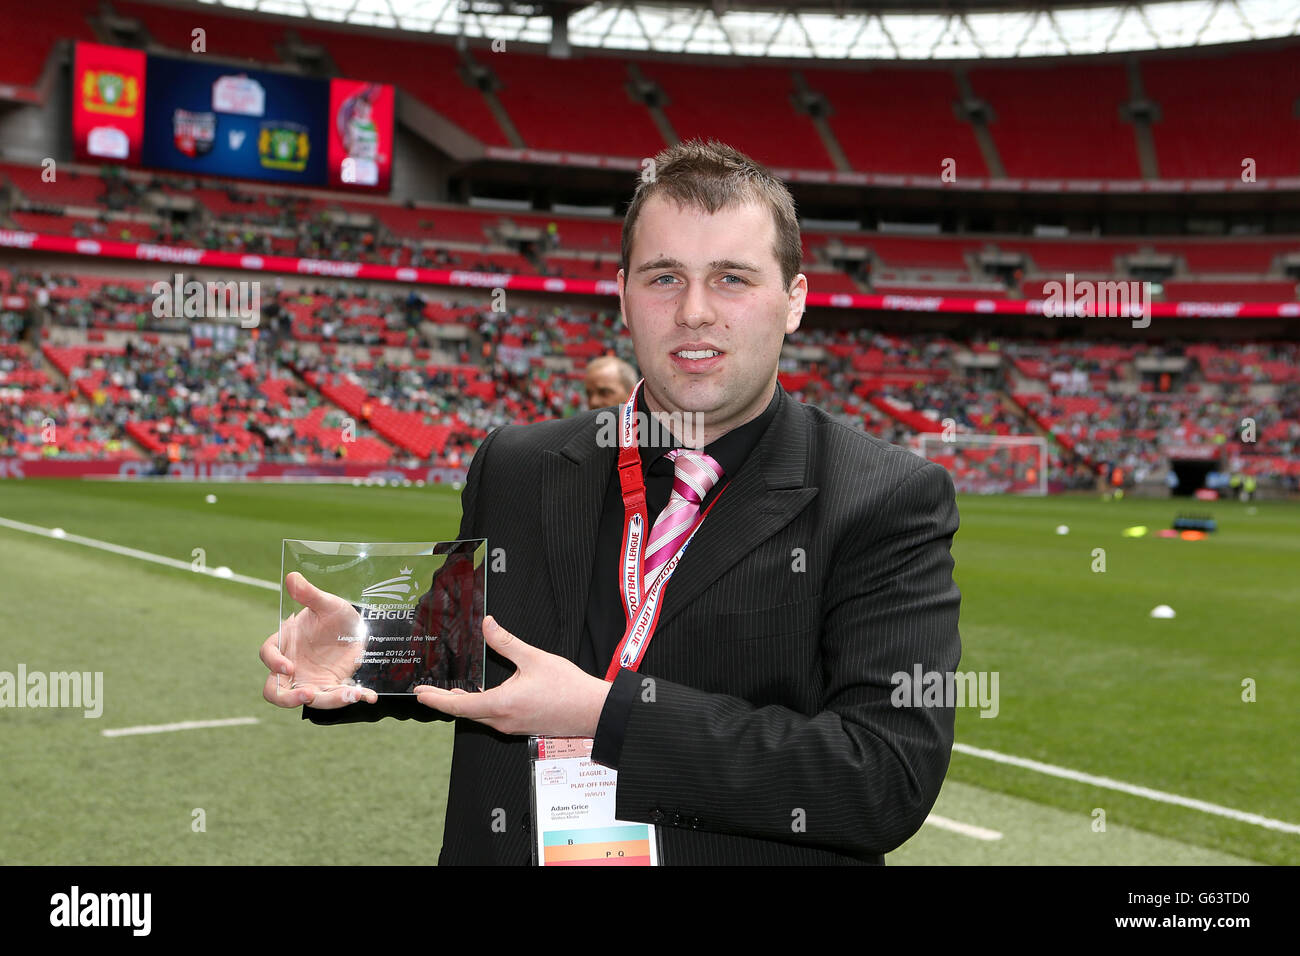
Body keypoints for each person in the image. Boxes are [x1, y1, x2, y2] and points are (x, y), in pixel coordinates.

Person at [260, 139, 962, 865]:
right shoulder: (516, 464)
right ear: (623, 292)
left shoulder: (886, 497)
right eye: (665, 278)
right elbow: (468, 647)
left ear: (795, 301)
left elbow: (884, 777)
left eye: (731, 279)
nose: (694, 311)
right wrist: (364, 648)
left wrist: (606, 716)